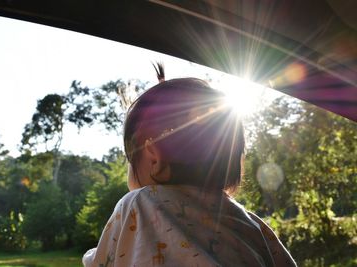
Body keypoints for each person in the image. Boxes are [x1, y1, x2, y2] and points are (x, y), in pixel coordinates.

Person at [83, 72, 296, 266]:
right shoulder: (255, 226)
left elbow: (101, 262)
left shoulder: (139, 203)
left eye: (129, 159)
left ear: (154, 157)